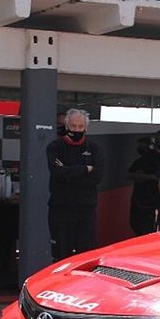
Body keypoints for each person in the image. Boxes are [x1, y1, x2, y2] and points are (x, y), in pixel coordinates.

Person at [46, 109, 105, 261]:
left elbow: (98, 176)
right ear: (66, 126)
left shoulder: (94, 148)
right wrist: (85, 169)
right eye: (73, 126)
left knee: (86, 257)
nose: (77, 130)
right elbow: (58, 172)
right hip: (61, 210)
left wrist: (69, 172)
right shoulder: (55, 146)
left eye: (80, 126)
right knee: (61, 256)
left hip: (86, 210)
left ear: (86, 128)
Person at [126, 135, 160, 235]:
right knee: (139, 226)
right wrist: (150, 177)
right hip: (142, 200)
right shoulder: (141, 161)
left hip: (156, 200)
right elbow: (129, 175)